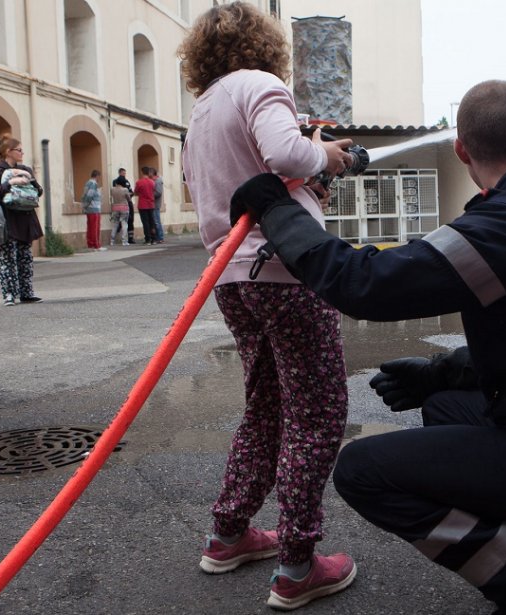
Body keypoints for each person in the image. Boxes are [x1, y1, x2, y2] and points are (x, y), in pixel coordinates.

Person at [228, 80, 506, 614]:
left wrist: (278, 209)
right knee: (444, 408)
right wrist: (441, 374)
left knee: (363, 472)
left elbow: (365, 284)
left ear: (461, 150)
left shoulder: (503, 224)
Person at [177, 2, 358, 610]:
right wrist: (327, 157)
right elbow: (284, 156)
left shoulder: (201, 112)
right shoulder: (261, 85)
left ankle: (229, 533)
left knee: (267, 405)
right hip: (286, 268)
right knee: (319, 409)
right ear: (264, 44)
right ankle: (299, 562)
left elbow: (214, 185)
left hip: (231, 277)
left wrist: (306, 171)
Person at [0, 135, 44, 307]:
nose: (22, 153)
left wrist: (30, 181)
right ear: (8, 152)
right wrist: (10, 182)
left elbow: (38, 192)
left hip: (25, 219)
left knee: (25, 257)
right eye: (19, 150)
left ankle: (27, 292)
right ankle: (9, 294)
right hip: (7, 220)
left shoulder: (25, 169)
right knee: (7, 259)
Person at [81, 169, 105, 251]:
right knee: (94, 228)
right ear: (97, 176)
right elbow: (89, 196)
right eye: (99, 177)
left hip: (92, 208)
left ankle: (92, 244)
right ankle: (95, 245)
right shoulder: (93, 184)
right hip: (93, 208)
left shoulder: (88, 183)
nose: (99, 179)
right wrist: (86, 205)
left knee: (91, 227)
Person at [134, 167, 157, 245]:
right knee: (152, 221)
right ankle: (153, 238)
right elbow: (154, 191)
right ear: (148, 173)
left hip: (142, 204)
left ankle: (147, 239)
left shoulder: (139, 182)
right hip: (151, 204)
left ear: (142, 172)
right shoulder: (152, 182)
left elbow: (136, 192)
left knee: (145, 222)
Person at [113, 167, 136, 244]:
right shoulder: (115, 182)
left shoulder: (127, 182)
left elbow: (131, 191)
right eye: (123, 173)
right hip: (122, 203)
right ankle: (123, 239)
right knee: (122, 221)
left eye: (125, 173)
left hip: (128, 202)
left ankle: (130, 237)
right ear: (119, 173)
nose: (124, 175)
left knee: (130, 219)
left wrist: (130, 194)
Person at [109, 182, 131, 246]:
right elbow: (129, 199)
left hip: (115, 207)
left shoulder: (112, 189)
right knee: (124, 224)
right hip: (124, 207)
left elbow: (111, 198)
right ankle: (124, 241)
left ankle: (112, 241)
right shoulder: (125, 189)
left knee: (115, 224)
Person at [149, 167, 165, 244]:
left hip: (155, 204)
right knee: (155, 221)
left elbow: (158, 192)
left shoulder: (158, 181)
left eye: (150, 173)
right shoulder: (154, 181)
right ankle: (158, 237)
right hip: (152, 204)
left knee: (156, 221)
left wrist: (150, 194)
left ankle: (160, 237)